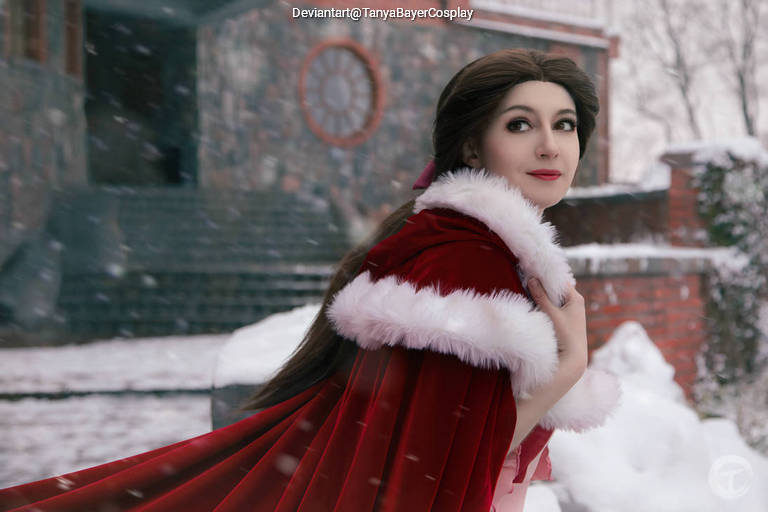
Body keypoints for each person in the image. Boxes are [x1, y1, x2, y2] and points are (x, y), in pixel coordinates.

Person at [0, 48, 621, 512]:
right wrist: (565, 369)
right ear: (471, 147)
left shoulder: (480, 253)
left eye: (563, 125)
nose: (549, 146)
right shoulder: (465, 267)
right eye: (520, 124)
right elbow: (437, 471)